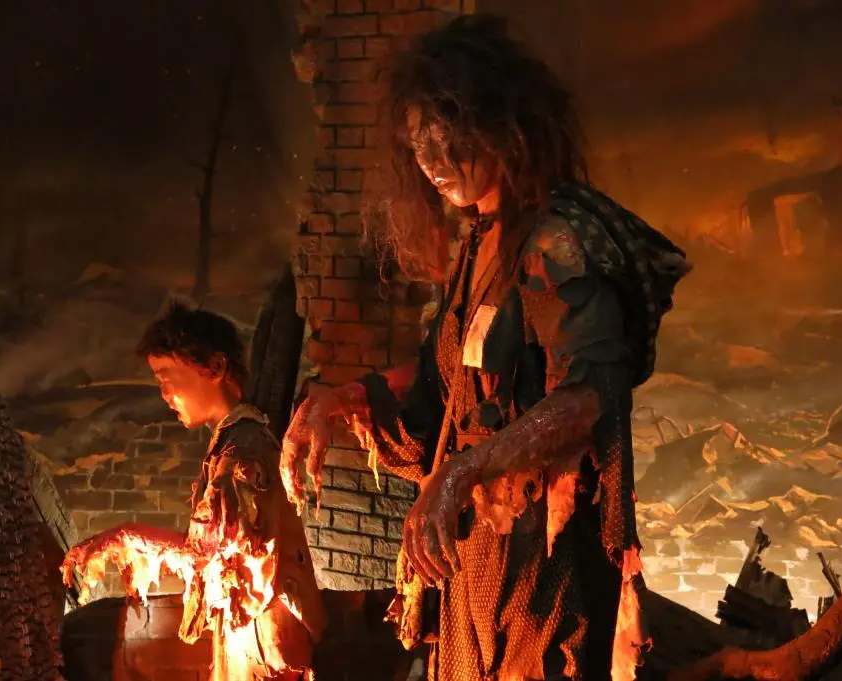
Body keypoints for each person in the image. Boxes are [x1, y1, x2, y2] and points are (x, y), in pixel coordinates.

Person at [280, 14, 689, 681]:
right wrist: (340, 398)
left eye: (448, 137)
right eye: (418, 141)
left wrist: (460, 473)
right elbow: (449, 383)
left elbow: (588, 398)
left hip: (545, 563)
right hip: (478, 556)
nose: (432, 161)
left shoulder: (557, 239)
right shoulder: (481, 241)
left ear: (503, 125)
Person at [65, 301, 326, 681]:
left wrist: (124, 536)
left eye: (167, 376)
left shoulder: (242, 453)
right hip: (253, 631)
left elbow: (203, 554)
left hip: (264, 640)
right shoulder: (234, 443)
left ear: (216, 368)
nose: (164, 393)